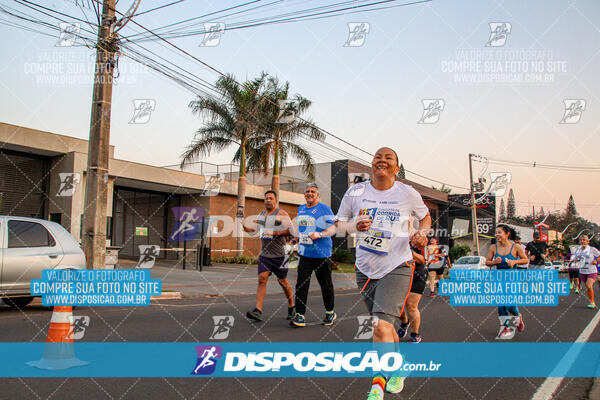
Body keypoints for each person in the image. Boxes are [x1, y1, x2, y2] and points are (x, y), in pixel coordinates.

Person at [334, 147, 431, 399]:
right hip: (365, 268)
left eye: (389, 158)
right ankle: (399, 368)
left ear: (396, 168)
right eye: (378, 156)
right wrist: (354, 225)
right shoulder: (356, 192)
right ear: (372, 164)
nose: (382, 160)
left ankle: (377, 383)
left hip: (397, 265)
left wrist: (423, 233)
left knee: (379, 325)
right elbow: (338, 225)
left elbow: (426, 217)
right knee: (385, 328)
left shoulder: (407, 193)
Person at [243, 190, 295, 321]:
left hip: (279, 255)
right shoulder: (261, 214)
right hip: (265, 255)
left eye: (271, 198)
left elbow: (291, 230)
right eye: (266, 198)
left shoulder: (281, 213)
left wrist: (274, 233)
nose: (268, 200)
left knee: (282, 282)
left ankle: (292, 306)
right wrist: (242, 222)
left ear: (276, 200)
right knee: (262, 279)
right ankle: (258, 311)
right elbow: (253, 231)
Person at [290, 183, 337, 327]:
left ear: (317, 195)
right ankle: (300, 315)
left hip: (322, 254)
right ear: (304, 194)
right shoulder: (301, 208)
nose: (310, 193)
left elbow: (333, 228)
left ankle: (330, 312)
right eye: (307, 191)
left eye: (313, 192)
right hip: (305, 253)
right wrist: (296, 238)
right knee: (301, 284)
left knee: (325, 285)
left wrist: (320, 234)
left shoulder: (324, 209)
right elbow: (302, 228)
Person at [486, 225, 529, 339]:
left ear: (507, 234)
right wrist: (495, 261)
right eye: (496, 233)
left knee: (510, 305)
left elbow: (525, 260)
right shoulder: (493, 247)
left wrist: (514, 262)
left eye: (499, 232)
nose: (497, 235)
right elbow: (487, 262)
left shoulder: (516, 247)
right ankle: (505, 327)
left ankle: (517, 316)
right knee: (501, 305)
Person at [397, 246, 427, 343]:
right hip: (398, 275)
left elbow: (422, 260)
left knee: (411, 306)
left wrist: (410, 252)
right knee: (396, 305)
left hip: (417, 274)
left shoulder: (416, 238)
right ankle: (405, 322)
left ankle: (415, 334)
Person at [571, 235, 600, 308]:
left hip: (592, 271)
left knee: (588, 285)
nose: (582, 241)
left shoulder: (592, 249)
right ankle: (591, 301)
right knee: (588, 287)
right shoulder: (578, 250)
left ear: (588, 241)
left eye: (584, 240)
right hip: (583, 271)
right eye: (581, 240)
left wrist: (596, 260)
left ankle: (593, 303)